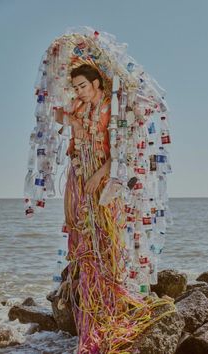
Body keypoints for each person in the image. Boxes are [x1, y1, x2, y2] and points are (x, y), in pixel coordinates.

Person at [56, 64, 175, 354]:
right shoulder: (78, 105)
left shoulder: (114, 107)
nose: (79, 91)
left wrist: (100, 174)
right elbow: (55, 114)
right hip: (78, 177)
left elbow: (123, 149)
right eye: (76, 87)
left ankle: (109, 309)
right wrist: (74, 122)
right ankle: (90, 315)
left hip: (103, 182)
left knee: (106, 243)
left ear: (97, 82)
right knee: (80, 236)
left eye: (83, 85)